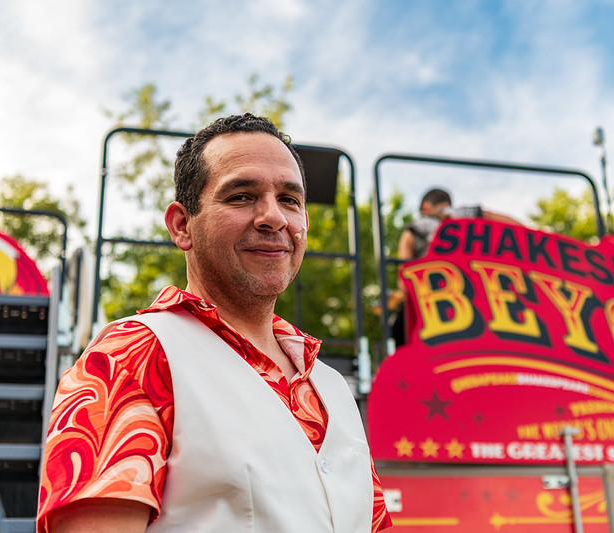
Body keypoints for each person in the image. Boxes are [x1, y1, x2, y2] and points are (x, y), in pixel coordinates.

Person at [38, 113, 392, 532]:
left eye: (289, 199)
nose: (273, 217)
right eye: (241, 196)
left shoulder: (331, 386)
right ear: (182, 226)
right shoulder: (129, 358)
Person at [390, 188, 520, 345]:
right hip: (479, 307)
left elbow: (404, 282)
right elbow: (517, 228)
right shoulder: (471, 214)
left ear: (425, 207)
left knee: (398, 329)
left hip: (432, 310)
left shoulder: (413, 230)